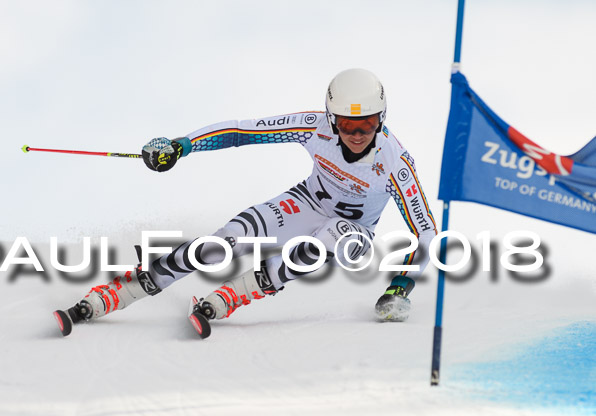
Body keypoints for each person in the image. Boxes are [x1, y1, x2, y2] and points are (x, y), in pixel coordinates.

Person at [53, 69, 437, 337]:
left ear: (382, 119)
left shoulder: (395, 164)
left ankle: (234, 294)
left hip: (353, 232)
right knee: (223, 244)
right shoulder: (312, 126)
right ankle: (121, 292)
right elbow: (243, 131)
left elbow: (426, 232)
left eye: (367, 124)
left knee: (324, 241)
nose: (356, 134)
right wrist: (182, 145)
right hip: (306, 202)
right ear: (331, 119)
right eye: (347, 125)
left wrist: (399, 287)